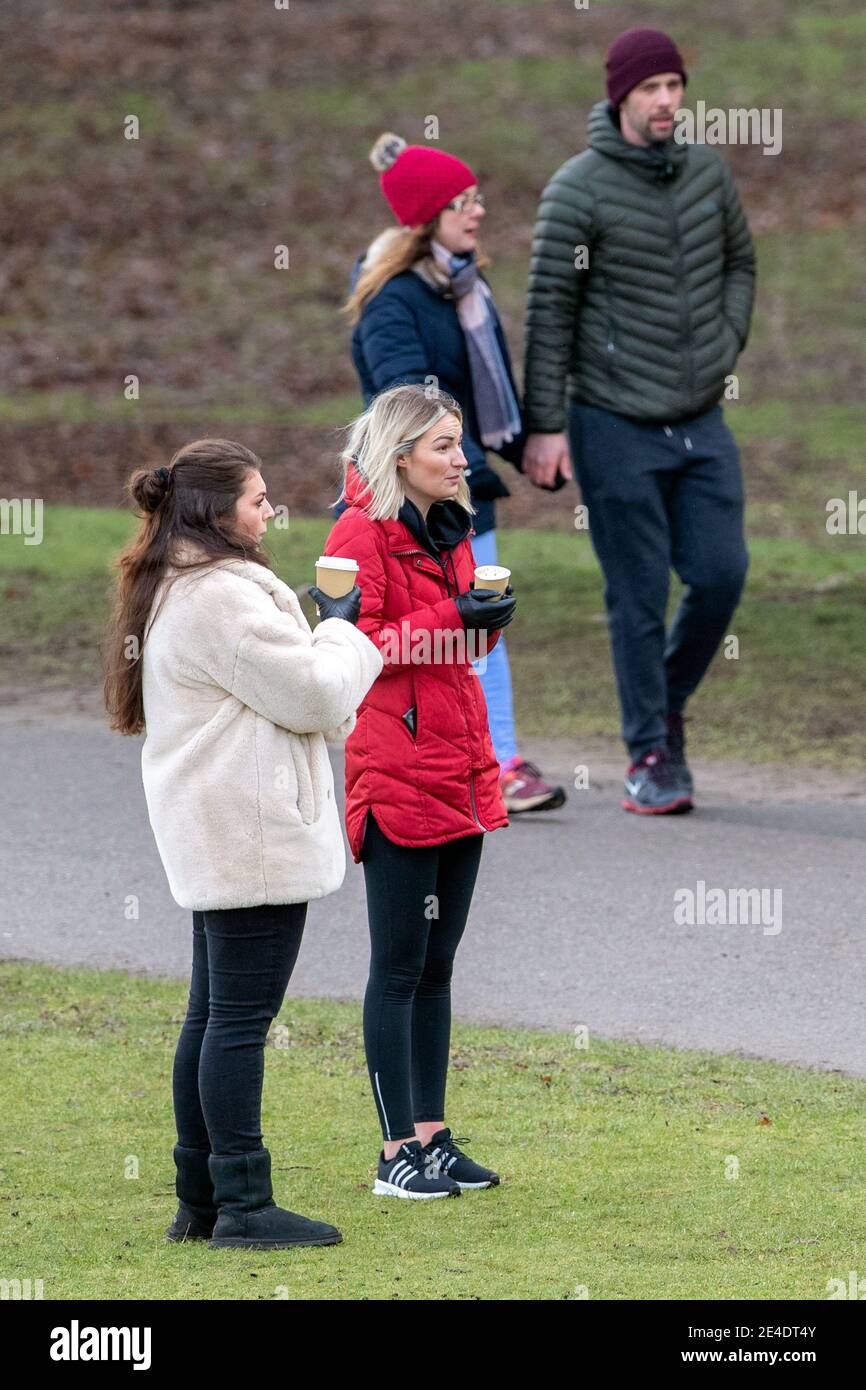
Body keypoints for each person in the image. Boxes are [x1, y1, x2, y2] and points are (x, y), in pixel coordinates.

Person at [102, 438, 383, 1250]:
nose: (270, 512)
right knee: (236, 1023)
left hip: (218, 829)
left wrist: (303, 631)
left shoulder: (178, 583)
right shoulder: (219, 595)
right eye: (257, 500)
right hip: (249, 832)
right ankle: (246, 1207)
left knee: (212, 1016)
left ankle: (202, 1201)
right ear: (215, 510)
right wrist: (339, 630)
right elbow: (314, 693)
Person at [522, 27, 755, 814]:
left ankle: (665, 702)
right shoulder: (576, 189)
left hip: (697, 416)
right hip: (612, 418)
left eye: (675, 87)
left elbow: (740, 263)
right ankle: (650, 751)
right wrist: (544, 427)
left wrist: (726, 343)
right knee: (638, 591)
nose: (666, 101)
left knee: (722, 573)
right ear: (621, 95)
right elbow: (548, 310)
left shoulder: (707, 174)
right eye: (652, 88)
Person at [336, 129, 566, 815]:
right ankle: (473, 765)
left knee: (482, 625)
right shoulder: (392, 302)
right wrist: (460, 457)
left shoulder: (466, 285)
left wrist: (526, 442)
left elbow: (489, 380)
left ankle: (497, 761)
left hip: (462, 484)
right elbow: (404, 406)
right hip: (414, 497)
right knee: (445, 633)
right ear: (428, 218)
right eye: (462, 202)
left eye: (477, 198)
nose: (478, 211)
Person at [323, 384, 515, 1198]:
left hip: (458, 763)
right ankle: (393, 1150)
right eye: (443, 445)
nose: (460, 458)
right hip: (395, 769)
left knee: (439, 965)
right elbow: (346, 648)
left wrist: (486, 616)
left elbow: (456, 636)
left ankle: (433, 1137)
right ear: (400, 454)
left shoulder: (453, 524)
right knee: (397, 966)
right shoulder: (354, 534)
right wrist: (451, 614)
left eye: (459, 442)